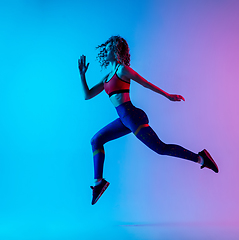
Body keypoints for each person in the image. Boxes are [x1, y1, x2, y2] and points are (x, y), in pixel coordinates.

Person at [78, 36, 218, 205]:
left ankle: (201, 158)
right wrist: (82, 75)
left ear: (116, 50)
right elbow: (87, 95)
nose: (106, 50)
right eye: (105, 48)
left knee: (160, 148)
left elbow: (145, 83)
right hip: (124, 120)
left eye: (109, 47)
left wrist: (167, 95)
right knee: (96, 140)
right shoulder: (107, 77)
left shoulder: (123, 70)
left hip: (133, 116)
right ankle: (99, 183)